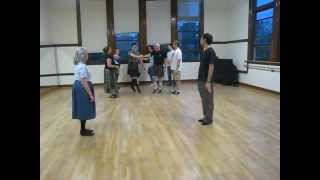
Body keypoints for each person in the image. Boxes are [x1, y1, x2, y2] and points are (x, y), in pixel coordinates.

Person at [72, 47, 95, 136]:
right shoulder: (82, 66)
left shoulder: (78, 65)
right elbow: (84, 81)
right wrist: (90, 95)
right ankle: (82, 131)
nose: (87, 55)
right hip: (82, 88)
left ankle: (83, 129)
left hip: (78, 86)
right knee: (84, 108)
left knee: (83, 108)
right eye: (86, 54)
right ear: (83, 56)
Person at [198, 33, 217, 126]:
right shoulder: (203, 50)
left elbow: (211, 66)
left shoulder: (211, 51)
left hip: (206, 80)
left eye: (201, 38)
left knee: (209, 99)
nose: (200, 40)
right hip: (200, 79)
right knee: (203, 98)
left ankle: (209, 118)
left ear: (204, 40)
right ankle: (206, 116)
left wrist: (208, 82)